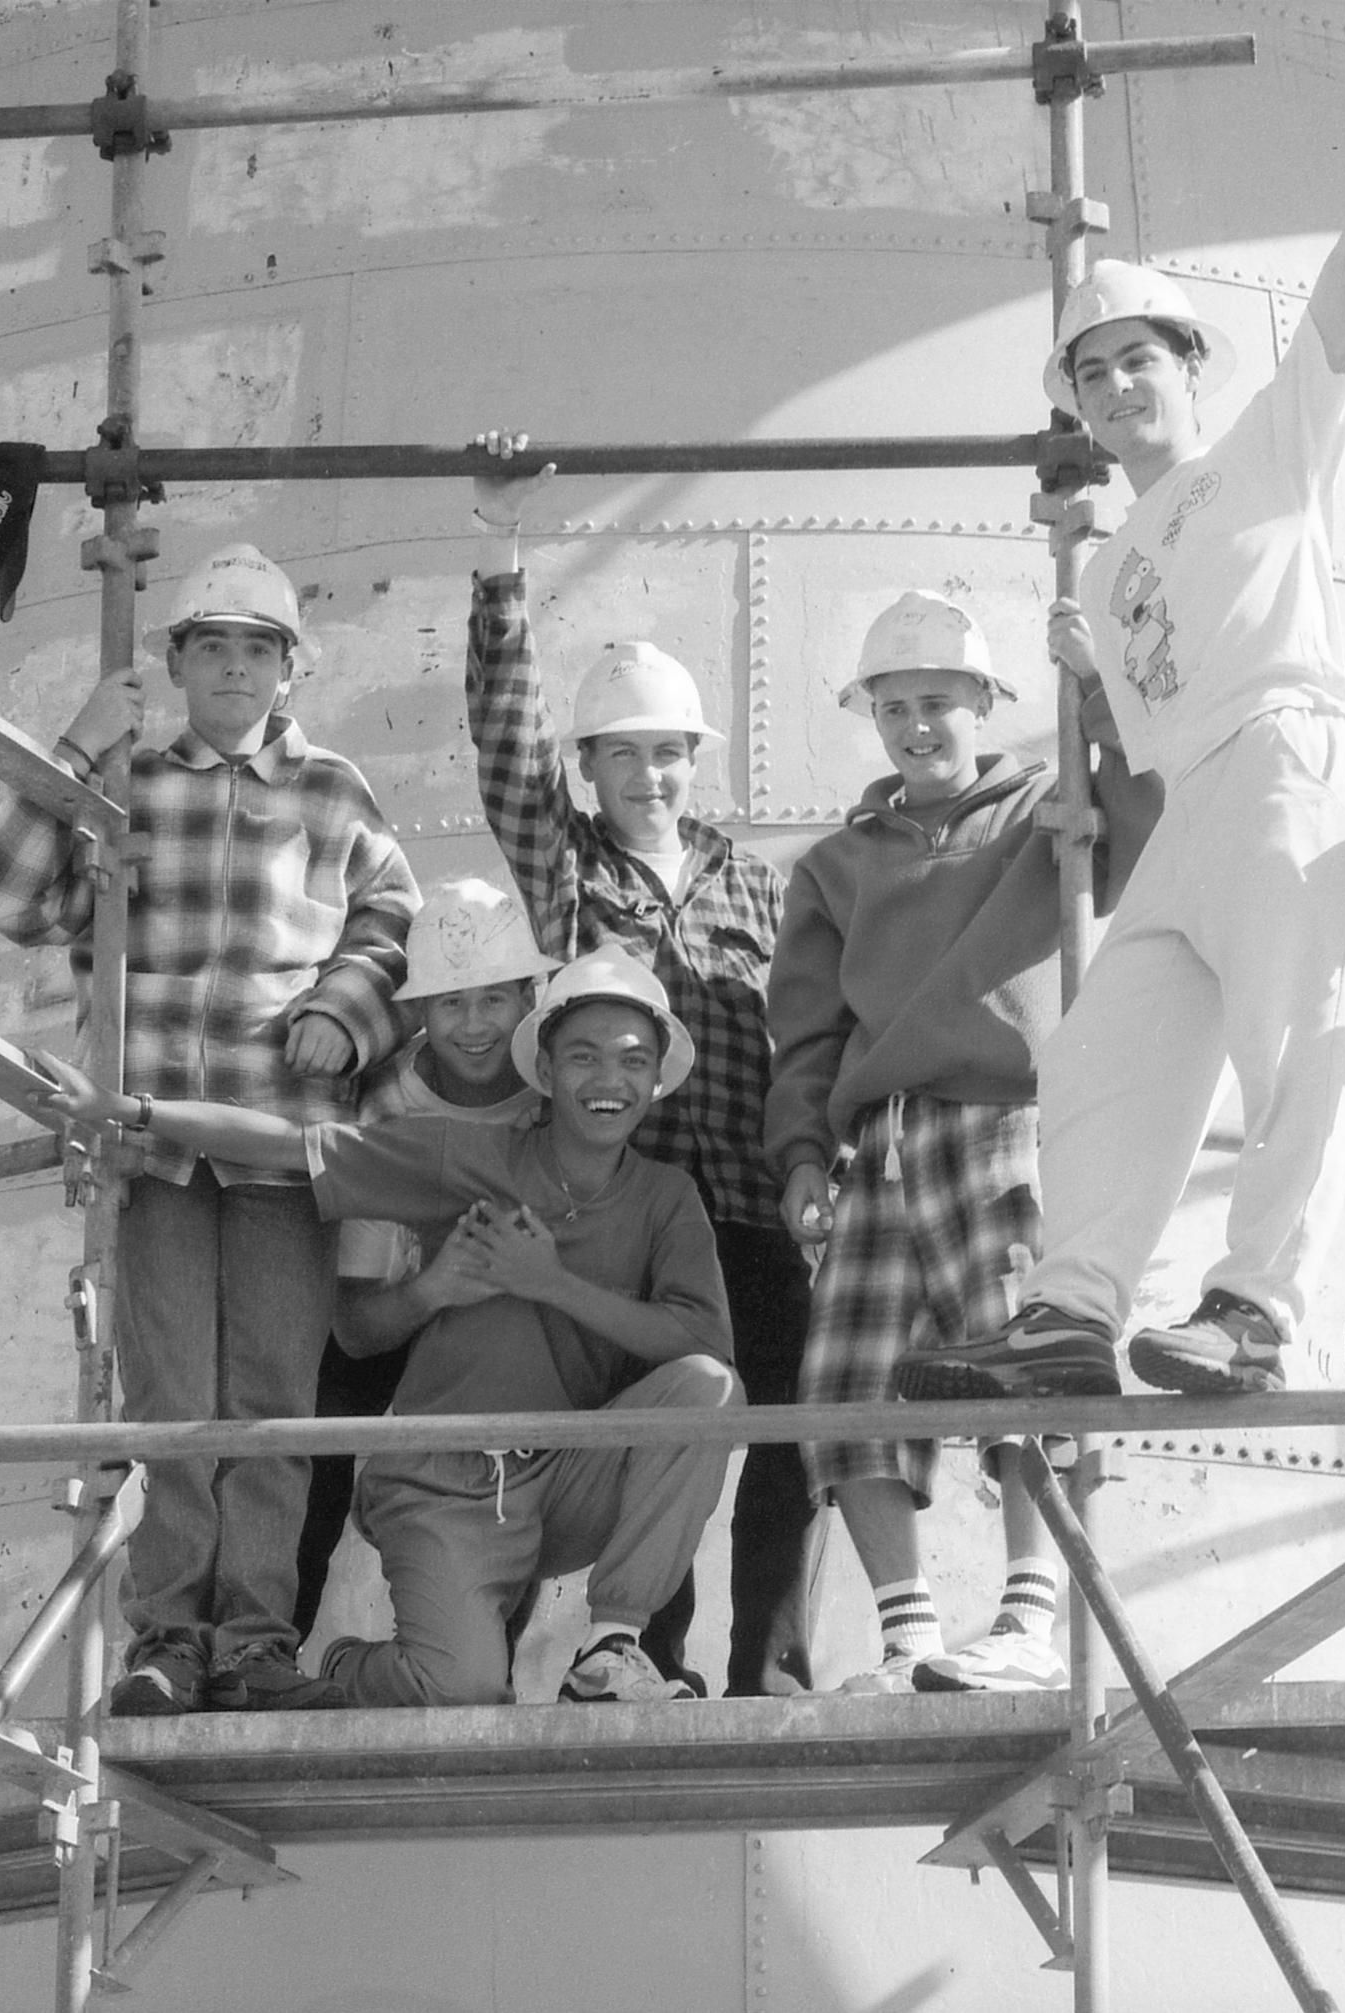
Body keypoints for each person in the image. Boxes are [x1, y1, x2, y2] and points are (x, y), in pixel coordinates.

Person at [903, 67, 1345, 1405]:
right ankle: (1072, 1314)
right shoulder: (1102, 570)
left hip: (1286, 754)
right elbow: (1141, 739)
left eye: (1141, 356)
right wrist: (1085, 672)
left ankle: (1255, 1305)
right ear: (1079, 407)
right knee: (1101, 1057)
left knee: (1303, 1032)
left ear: (1193, 367)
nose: (1119, 383)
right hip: (1189, 804)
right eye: (1094, 371)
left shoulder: (1261, 455)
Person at [35, 946, 737, 1708]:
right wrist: (136, 1110)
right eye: (584, 1057)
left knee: (707, 1389)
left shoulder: (667, 1198)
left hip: (567, 1473)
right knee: (465, 1688)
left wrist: (549, 1282)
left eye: (633, 1061)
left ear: (658, 1076)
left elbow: (704, 1349)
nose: (609, 1080)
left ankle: (610, 1648)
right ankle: (345, 1663)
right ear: (545, 1065)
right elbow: (291, 1147)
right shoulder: (472, 1157)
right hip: (443, 1481)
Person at [0, 542, 421, 1716]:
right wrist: (71, 751)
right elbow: (11, 900)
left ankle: (257, 1639)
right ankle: (169, 1637)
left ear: (290, 670)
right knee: (171, 1397)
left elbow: (389, 926)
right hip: (153, 1132)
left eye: (256, 649)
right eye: (211, 646)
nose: (234, 668)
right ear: (176, 663)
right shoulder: (119, 788)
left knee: (272, 1400)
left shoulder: (333, 792)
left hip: (281, 1137)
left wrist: (343, 1010)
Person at [459, 437, 821, 1699]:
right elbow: (506, 755)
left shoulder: (757, 882)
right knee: (666, 1425)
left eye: (668, 752)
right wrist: (502, 559)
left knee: (787, 1426)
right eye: (623, 754)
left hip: (752, 1203)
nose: (650, 775)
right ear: (591, 770)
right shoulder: (571, 878)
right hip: (627, 1201)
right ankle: (640, 1655)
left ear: (692, 758)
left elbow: (806, 1033)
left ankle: (771, 1661)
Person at [768, 592, 1147, 1693]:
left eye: (938, 701)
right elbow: (807, 1033)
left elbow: (1148, 810)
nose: (917, 726)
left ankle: (1031, 1621)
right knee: (846, 1389)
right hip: (879, 1142)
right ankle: (910, 1637)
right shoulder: (836, 867)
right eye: (894, 709)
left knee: (1033, 1361)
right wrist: (801, 1156)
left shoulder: (1050, 809)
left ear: (986, 703)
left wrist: (1101, 692)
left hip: (1008, 1118)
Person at [291, 875, 554, 1639]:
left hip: (510, 1325)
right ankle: (271, 1647)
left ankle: (501, 1653)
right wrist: (434, 1288)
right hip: (407, 1310)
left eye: (494, 999)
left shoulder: (555, 1103)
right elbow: (356, 1327)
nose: (473, 1025)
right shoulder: (388, 1107)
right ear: (418, 1011)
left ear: (530, 998)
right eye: (450, 1002)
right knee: (320, 1431)